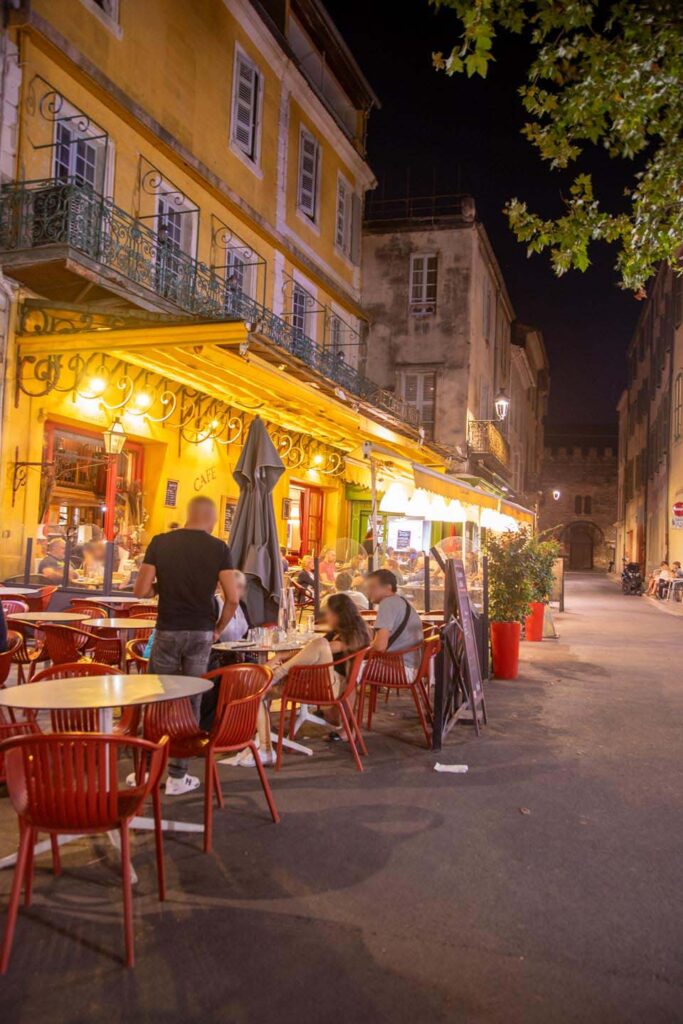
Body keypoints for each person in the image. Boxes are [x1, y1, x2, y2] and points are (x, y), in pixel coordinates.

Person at [133, 496, 239, 795]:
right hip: (201, 632)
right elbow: (232, 598)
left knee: (158, 696)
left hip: (168, 629)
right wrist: (218, 629)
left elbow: (141, 590)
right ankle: (178, 775)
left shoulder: (160, 542)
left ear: (188, 514)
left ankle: (147, 771)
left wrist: (162, 586)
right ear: (213, 518)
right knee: (191, 699)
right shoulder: (219, 548)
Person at [255, 594, 371, 754]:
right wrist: (280, 656)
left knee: (320, 644)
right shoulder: (342, 633)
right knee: (259, 691)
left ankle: (275, 675)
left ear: (338, 614)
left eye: (328, 613)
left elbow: (323, 648)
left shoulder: (351, 637)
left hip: (330, 686)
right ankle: (262, 736)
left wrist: (280, 659)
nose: (326, 617)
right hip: (320, 680)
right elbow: (310, 652)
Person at [366, 569, 424, 680]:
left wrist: (364, 646)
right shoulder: (401, 601)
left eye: (373, 587)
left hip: (400, 669)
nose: (369, 591)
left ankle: (343, 697)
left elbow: (380, 647)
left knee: (350, 668)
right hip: (413, 668)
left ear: (388, 588)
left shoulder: (387, 603)